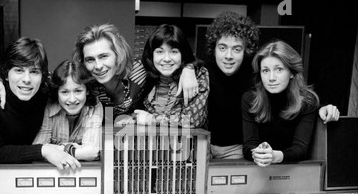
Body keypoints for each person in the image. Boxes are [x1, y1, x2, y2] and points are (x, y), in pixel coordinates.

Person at [0, 23, 199, 122]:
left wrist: (190, 67)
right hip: (102, 146)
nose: (98, 66)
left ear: (117, 54)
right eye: (90, 59)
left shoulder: (140, 71)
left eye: (103, 56)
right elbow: (35, 75)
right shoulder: (84, 81)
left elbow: (169, 62)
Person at [204, 11, 340, 160]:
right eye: (222, 48)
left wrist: (323, 108)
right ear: (214, 48)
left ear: (245, 50)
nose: (228, 55)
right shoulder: (202, 73)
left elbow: (300, 97)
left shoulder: (256, 73)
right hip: (206, 145)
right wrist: (188, 70)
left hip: (238, 150)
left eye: (236, 49)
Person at [0, 37, 80, 170]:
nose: (27, 79)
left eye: (34, 72)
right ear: (6, 73)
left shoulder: (46, 92)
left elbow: (80, 85)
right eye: (19, 70)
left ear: (42, 76)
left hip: (37, 175)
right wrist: (43, 150)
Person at [241, 40, 320, 166]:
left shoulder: (308, 101)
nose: (271, 78)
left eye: (279, 69)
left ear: (292, 73)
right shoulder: (250, 99)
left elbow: (300, 149)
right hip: (259, 169)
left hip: (294, 169)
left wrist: (276, 156)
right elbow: (248, 145)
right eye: (265, 71)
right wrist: (257, 153)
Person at [131, 24, 209, 128]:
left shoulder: (197, 75)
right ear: (152, 55)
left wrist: (152, 119)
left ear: (182, 54)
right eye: (159, 51)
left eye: (174, 51)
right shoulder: (144, 75)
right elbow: (133, 112)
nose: (166, 58)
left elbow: (193, 121)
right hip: (150, 142)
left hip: (187, 143)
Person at [33, 59, 103, 162]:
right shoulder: (48, 106)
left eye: (78, 91)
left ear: (87, 91)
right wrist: (74, 150)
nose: (72, 99)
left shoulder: (94, 105)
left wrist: (55, 150)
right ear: (57, 92)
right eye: (65, 92)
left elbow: (92, 152)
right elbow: (38, 150)